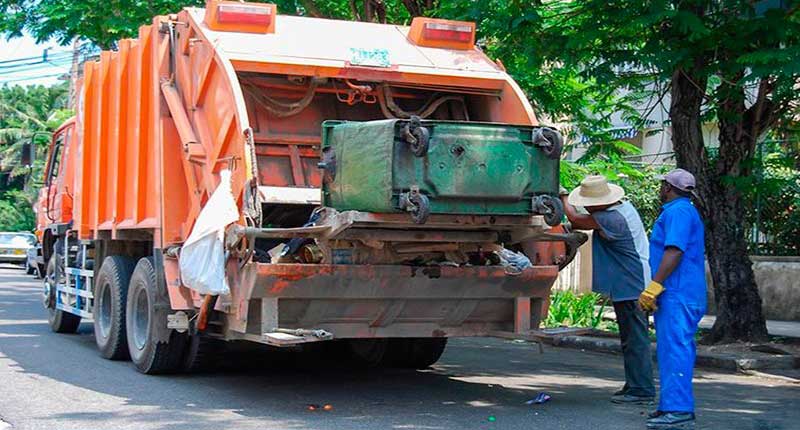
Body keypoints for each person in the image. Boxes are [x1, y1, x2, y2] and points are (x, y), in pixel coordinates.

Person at [560, 175, 655, 404]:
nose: (587, 207)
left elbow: (576, 219)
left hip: (632, 284)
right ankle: (635, 384)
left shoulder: (612, 218)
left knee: (635, 340)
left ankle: (641, 390)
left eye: (589, 203)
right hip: (632, 282)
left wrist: (562, 195)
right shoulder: (624, 209)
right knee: (631, 339)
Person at [639, 168, 707, 429]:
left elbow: (674, 251)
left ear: (667, 187)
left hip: (678, 293)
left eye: (662, 185)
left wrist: (654, 286)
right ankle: (670, 405)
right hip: (680, 292)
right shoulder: (683, 210)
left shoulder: (678, 212)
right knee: (670, 351)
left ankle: (679, 409)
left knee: (676, 350)